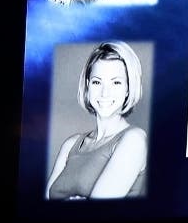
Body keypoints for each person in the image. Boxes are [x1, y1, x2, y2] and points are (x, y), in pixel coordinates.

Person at [46, 42, 148, 199]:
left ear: (128, 88)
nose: (104, 92)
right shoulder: (71, 144)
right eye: (97, 82)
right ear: (88, 85)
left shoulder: (134, 139)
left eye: (116, 82)